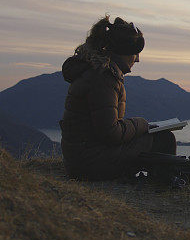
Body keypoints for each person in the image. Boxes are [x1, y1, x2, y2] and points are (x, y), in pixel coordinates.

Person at [59, 15, 177, 181]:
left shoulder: (96, 72)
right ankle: (163, 187)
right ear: (124, 52)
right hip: (90, 164)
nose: (138, 59)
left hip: (81, 158)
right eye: (135, 53)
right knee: (164, 139)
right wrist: (142, 124)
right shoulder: (103, 79)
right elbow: (110, 133)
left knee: (155, 138)